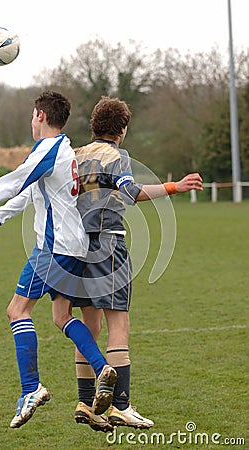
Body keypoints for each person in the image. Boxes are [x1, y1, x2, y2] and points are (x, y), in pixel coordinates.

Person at [0, 91, 117, 429]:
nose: (31, 121)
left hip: (54, 248)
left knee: (17, 310)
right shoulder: (63, 151)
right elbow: (29, 191)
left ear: (40, 115)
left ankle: (31, 388)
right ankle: (102, 369)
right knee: (60, 316)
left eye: (31, 116)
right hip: (75, 248)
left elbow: (13, 183)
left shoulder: (48, 149)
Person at [72, 96, 203, 432]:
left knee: (90, 328)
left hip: (74, 247)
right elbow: (131, 192)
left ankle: (86, 404)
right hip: (107, 243)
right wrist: (176, 186)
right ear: (123, 130)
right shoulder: (117, 155)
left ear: (94, 126)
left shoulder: (76, 155)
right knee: (119, 326)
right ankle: (121, 406)